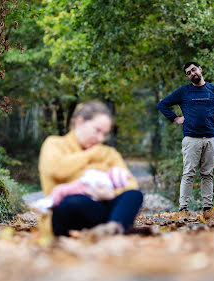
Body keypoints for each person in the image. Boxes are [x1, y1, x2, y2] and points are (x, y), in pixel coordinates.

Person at [38, 101, 143, 237]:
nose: (100, 138)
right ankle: (109, 232)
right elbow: (57, 170)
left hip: (100, 212)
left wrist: (110, 193)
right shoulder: (54, 144)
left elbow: (130, 183)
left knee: (133, 195)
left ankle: (112, 233)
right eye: (97, 130)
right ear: (80, 122)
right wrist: (90, 155)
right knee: (74, 201)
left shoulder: (108, 153)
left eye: (104, 134)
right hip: (67, 212)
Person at [157, 62, 214, 218]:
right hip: (191, 139)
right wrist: (175, 118)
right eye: (189, 73)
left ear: (200, 70)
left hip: (211, 138)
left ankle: (207, 210)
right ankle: (183, 209)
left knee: (207, 174)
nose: (192, 73)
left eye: (194, 70)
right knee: (188, 174)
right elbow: (162, 104)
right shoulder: (183, 92)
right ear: (188, 76)